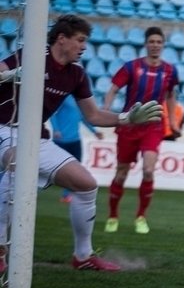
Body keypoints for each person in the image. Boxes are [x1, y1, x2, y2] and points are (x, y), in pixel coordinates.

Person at [0, 14, 162, 271]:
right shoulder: (31, 56)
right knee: (16, 165)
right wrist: (11, 75)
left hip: (34, 137)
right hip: (4, 128)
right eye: (80, 40)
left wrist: (127, 117)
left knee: (86, 184)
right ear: (62, 39)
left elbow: (94, 115)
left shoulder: (76, 74)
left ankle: (83, 256)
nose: (84, 46)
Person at [102, 26, 180, 235]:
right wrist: (106, 112)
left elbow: (171, 96)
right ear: (146, 44)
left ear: (163, 45)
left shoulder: (170, 71)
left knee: (148, 169)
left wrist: (172, 122)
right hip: (129, 125)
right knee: (121, 173)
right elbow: (113, 89)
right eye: (152, 41)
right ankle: (113, 216)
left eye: (159, 42)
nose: (155, 45)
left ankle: (141, 217)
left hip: (153, 126)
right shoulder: (131, 67)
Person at [49, 95, 104, 203]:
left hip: (75, 140)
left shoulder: (80, 100)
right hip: (61, 139)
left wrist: (94, 131)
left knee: (76, 168)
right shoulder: (64, 97)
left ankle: (66, 195)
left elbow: (83, 118)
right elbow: (53, 114)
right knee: (49, 167)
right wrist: (56, 129)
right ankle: (34, 188)